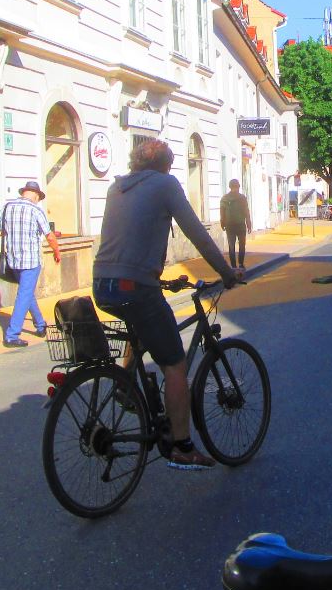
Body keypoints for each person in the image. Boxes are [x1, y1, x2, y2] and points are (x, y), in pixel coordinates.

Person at [93, 138, 241, 470]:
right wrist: (225, 271)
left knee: (144, 326)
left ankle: (126, 385)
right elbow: (197, 233)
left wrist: (157, 278)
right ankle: (183, 447)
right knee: (174, 364)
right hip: (135, 287)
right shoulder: (165, 184)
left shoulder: (116, 188)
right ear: (164, 165)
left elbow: (128, 243)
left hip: (103, 284)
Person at [0, 180, 61, 349]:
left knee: (27, 292)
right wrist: (56, 252)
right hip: (30, 261)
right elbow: (50, 236)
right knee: (24, 295)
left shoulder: (7, 207)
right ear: (36, 195)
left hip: (13, 259)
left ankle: (40, 325)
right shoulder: (36, 210)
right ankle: (12, 335)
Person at [219, 179, 252, 269]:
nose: (235, 189)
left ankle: (233, 266)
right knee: (241, 245)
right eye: (236, 187)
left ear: (230, 187)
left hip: (230, 225)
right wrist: (248, 223)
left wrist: (222, 222)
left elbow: (222, 211)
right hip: (240, 224)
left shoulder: (225, 198)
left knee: (231, 245)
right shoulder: (242, 198)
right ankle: (240, 264)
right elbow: (246, 211)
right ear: (238, 186)